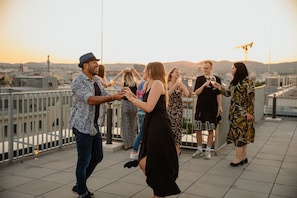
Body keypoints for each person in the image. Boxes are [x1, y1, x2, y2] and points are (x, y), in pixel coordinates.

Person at [69, 52, 124, 198]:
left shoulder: (96, 80)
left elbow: (105, 94)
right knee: (84, 159)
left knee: (98, 156)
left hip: (94, 124)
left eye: (97, 62)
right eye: (94, 62)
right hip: (82, 125)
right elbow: (90, 99)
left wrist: (121, 94)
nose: (97, 65)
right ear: (85, 65)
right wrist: (112, 97)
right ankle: (81, 191)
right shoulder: (78, 81)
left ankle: (79, 184)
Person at [123, 62, 181, 198]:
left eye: (146, 69)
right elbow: (145, 104)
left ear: (152, 70)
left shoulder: (158, 84)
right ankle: (159, 188)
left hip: (159, 126)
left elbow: (149, 107)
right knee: (143, 160)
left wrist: (132, 99)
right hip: (151, 124)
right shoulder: (150, 83)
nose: (144, 71)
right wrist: (131, 96)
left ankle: (159, 192)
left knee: (155, 161)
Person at [214, 62, 255, 167]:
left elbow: (251, 99)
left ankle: (238, 158)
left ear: (238, 70)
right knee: (241, 135)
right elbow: (228, 93)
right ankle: (243, 156)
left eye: (233, 68)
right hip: (234, 113)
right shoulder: (234, 82)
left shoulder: (248, 82)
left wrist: (249, 112)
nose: (231, 70)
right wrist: (219, 87)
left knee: (239, 136)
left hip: (243, 113)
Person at [192, 60, 223, 160]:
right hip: (200, 108)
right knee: (198, 129)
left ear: (211, 68)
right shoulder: (199, 79)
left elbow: (219, 94)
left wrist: (220, 106)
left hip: (212, 108)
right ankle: (199, 149)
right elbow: (196, 92)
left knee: (210, 130)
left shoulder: (216, 79)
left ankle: (208, 151)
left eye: (207, 68)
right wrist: (204, 84)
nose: (205, 70)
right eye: (203, 68)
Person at [112, 67, 142, 150]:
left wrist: (121, 72)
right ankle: (133, 143)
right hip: (134, 104)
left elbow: (114, 80)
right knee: (133, 124)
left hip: (125, 104)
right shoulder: (136, 83)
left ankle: (126, 144)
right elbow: (142, 80)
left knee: (125, 124)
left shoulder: (123, 83)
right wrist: (135, 72)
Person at [167, 68, 191, 155]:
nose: (178, 74)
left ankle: (177, 147)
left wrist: (190, 91)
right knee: (169, 126)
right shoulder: (166, 84)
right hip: (169, 107)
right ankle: (170, 146)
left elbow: (188, 94)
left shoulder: (180, 84)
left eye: (179, 73)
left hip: (178, 108)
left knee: (177, 126)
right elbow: (168, 93)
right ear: (171, 74)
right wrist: (175, 86)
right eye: (176, 72)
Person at [130, 79, 146, 160]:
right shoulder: (147, 84)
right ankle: (134, 151)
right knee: (142, 132)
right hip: (144, 111)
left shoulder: (141, 84)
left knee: (142, 132)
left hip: (140, 111)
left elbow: (138, 98)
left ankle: (136, 151)